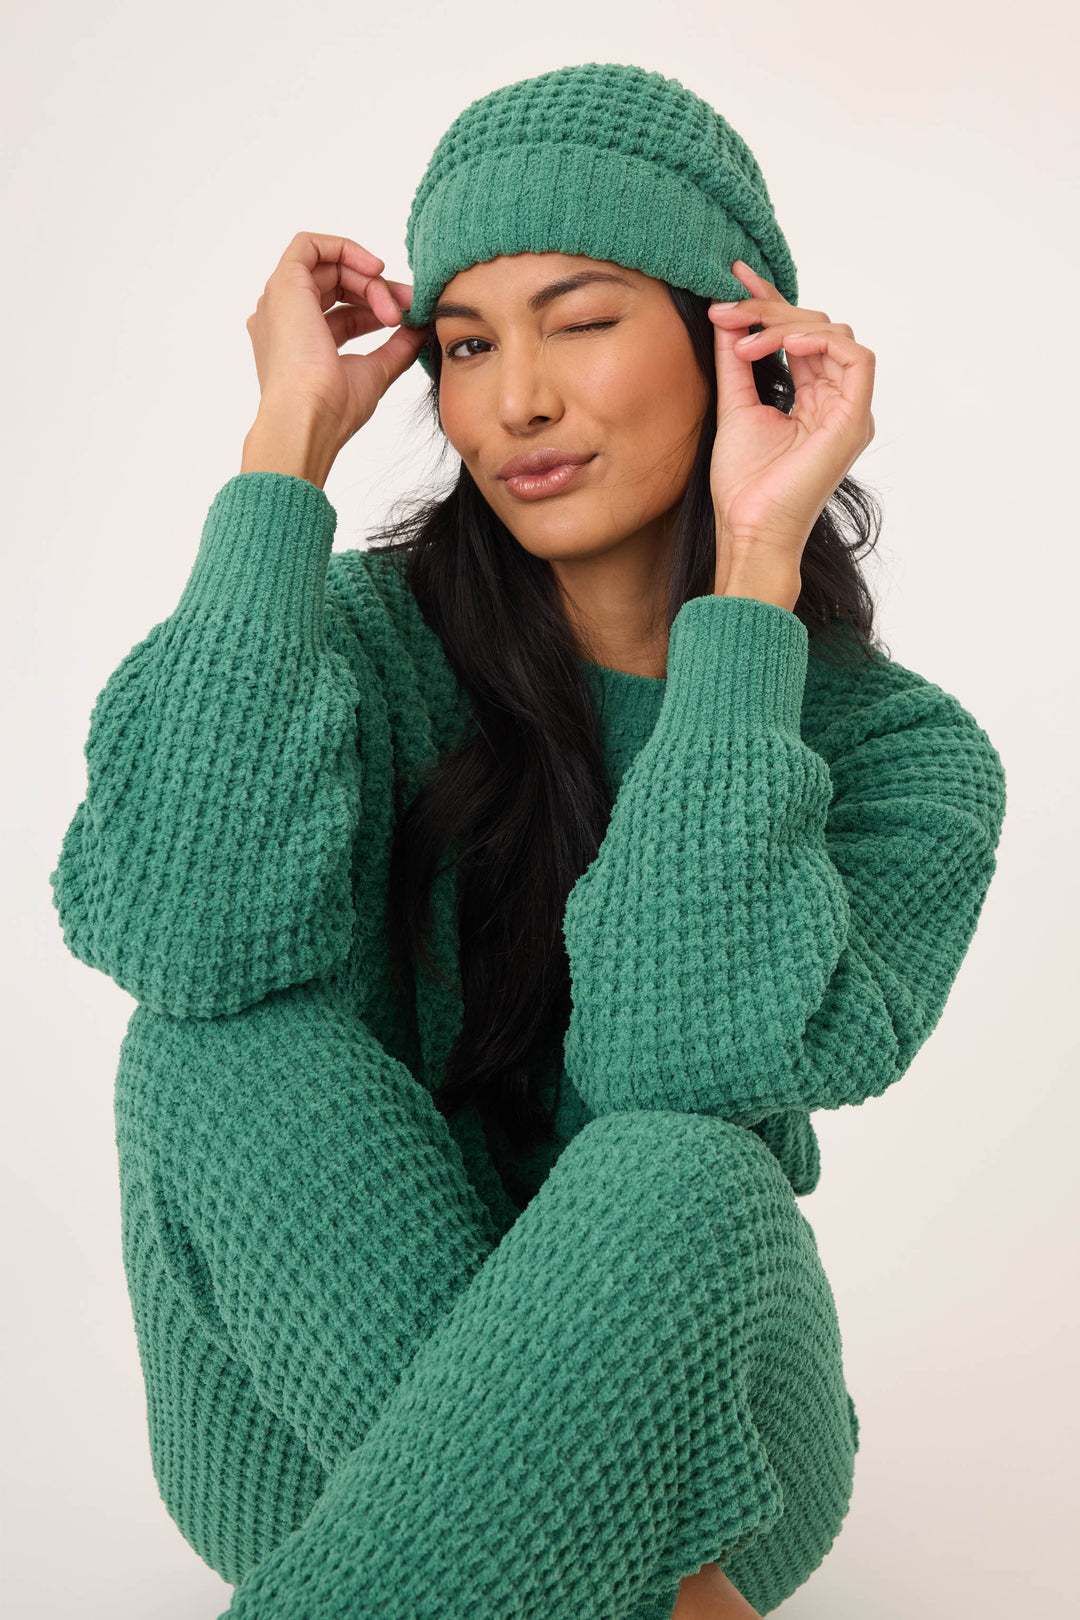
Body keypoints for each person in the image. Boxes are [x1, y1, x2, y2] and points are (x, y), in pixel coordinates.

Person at [49, 62, 1007, 1620]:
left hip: (708, 1431)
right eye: (471, 345)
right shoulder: (356, 650)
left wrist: (752, 577)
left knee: (681, 1169)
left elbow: (675, 1059)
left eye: (581, 319)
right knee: (206, 1048)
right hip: (316, 1426)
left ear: (735, 340)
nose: (515, 403)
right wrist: (286, 444)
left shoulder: (902, 757)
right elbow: (181, 929)